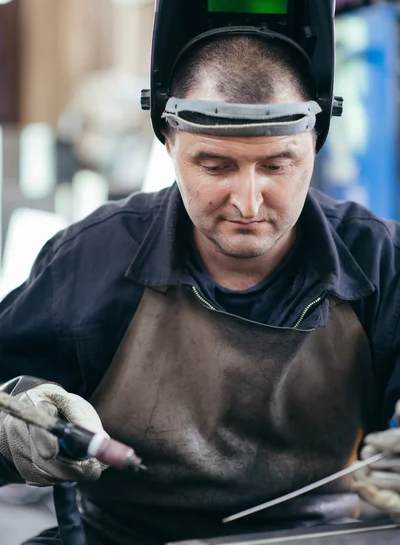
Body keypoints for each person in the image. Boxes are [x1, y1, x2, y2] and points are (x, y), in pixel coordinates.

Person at [1, 34, 400, 545]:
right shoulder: (91, 260)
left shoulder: (379, 261)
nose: (249, 202)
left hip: (316, 537)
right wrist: (15, 431)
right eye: (215, 166)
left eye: (277, 166)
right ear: (168, 144)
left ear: (315, 144)